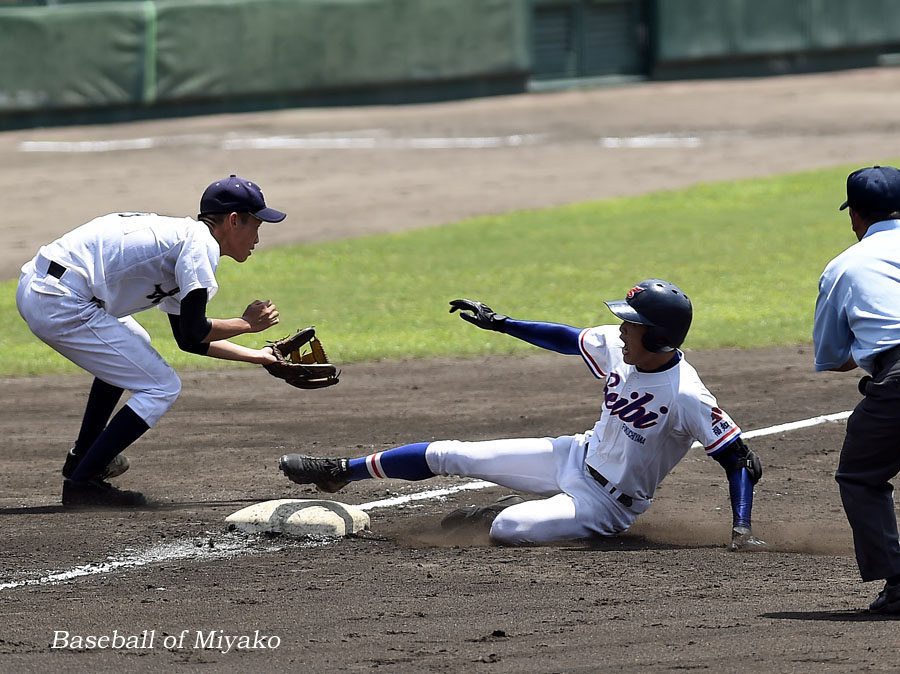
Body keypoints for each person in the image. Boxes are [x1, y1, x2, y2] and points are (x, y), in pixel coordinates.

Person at [279, 279, 767, 550]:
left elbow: (738, 459)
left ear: (659, 338)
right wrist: (502, 324)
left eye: (630, 324)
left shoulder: (686, 395)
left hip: (608, 505)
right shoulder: (621, 349)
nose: (619, 330)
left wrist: (741, 528)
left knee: (510, 528)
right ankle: (340, 472)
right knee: (452, 453)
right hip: (573, 456)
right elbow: (566, 337)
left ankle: (491, 512)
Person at [17, 175, 288, 508]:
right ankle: (83, 482)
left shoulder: (185, 241)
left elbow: (189, 339)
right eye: (256, 225)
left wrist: (259, 357)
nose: (258, 237)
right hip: (59, 297)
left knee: (134, 343)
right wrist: (245, 324)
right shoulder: (199, 245)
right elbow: (195, 330)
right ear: (234, 221)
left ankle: (84, 458)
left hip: (51, 288)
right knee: (162, 386)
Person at [813, 165, 900, 614]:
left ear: (855, 217)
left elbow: (831, 357)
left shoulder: (845, 266)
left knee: (860, 476)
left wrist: (869, 351)